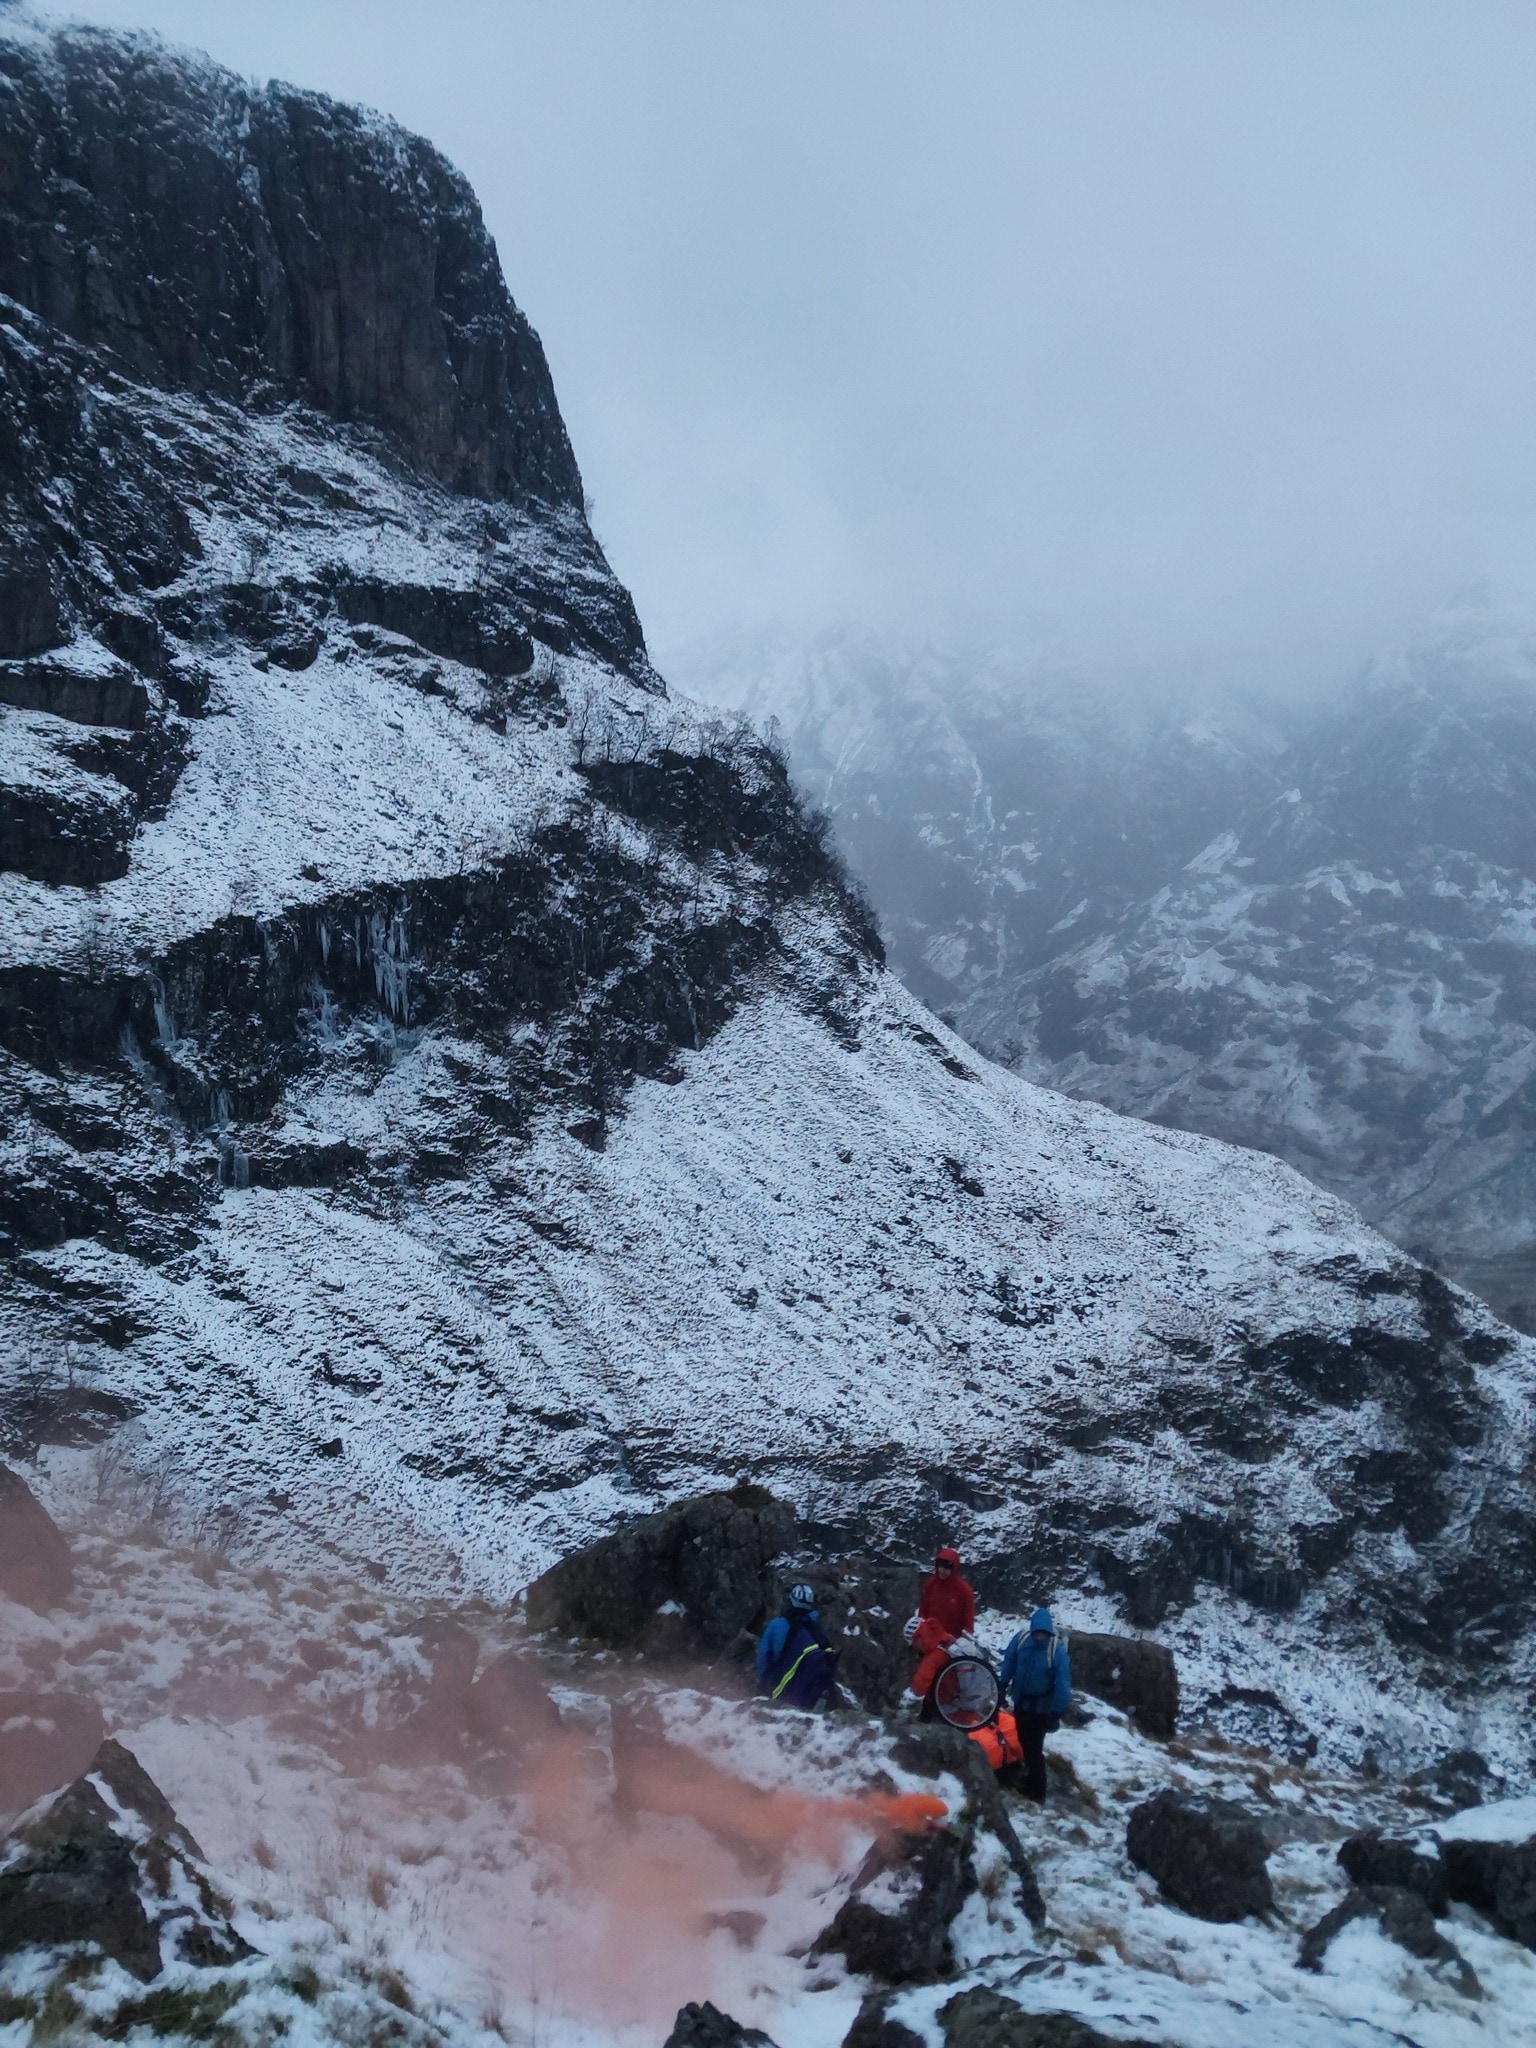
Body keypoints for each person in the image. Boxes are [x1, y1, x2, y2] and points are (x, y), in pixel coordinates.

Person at [998, 1606, 1071, 1801]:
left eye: (1043, 1633)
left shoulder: (1057, 1651)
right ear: (1032, 1630)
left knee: (1034, 1748)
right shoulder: (1021, 1640)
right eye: (1037, 1633)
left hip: (1042, 1709)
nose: (1040, 1637)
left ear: (1048, 1632)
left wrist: (1055, 1713)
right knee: (1024, 1741)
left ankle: (1038, 1791)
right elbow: (1010, 1661)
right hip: (1022, 1702)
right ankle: (1032, 1779)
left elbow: (1063, 1684)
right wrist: (1002, 1684)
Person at [906, 1546, 978, 1713]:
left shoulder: (964, 1591)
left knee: (947, 1681)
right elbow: (923, 1611)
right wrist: (920, 1635)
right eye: (940, 1566)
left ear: (954, 1568)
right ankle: (931, 1711)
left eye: (947, 1567)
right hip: (929, 1641)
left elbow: (968, 1622)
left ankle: (948, 1712)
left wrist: (963, 1643)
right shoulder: (931, 1584)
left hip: (950, 1646)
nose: (942, 1571)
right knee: (931, 1678)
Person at [755, 1582, 841, 1709]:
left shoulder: (777, 1625)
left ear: (790, 1601)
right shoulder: (817, 1629)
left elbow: (763, 1657)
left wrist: (762, 1682)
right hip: (813, 1689)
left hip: (782, 1687)